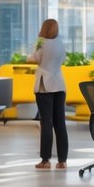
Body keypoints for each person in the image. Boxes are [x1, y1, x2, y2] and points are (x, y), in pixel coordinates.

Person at [28, 18, 69, 169]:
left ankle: (45, 161)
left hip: (45, 85)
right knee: (60, 123)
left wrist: (29, 57)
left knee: (46, 122)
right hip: (59, 84)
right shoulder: (60, 43)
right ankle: (62, 160)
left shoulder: (41, 42)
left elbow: (36, 58)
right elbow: (63, 59)